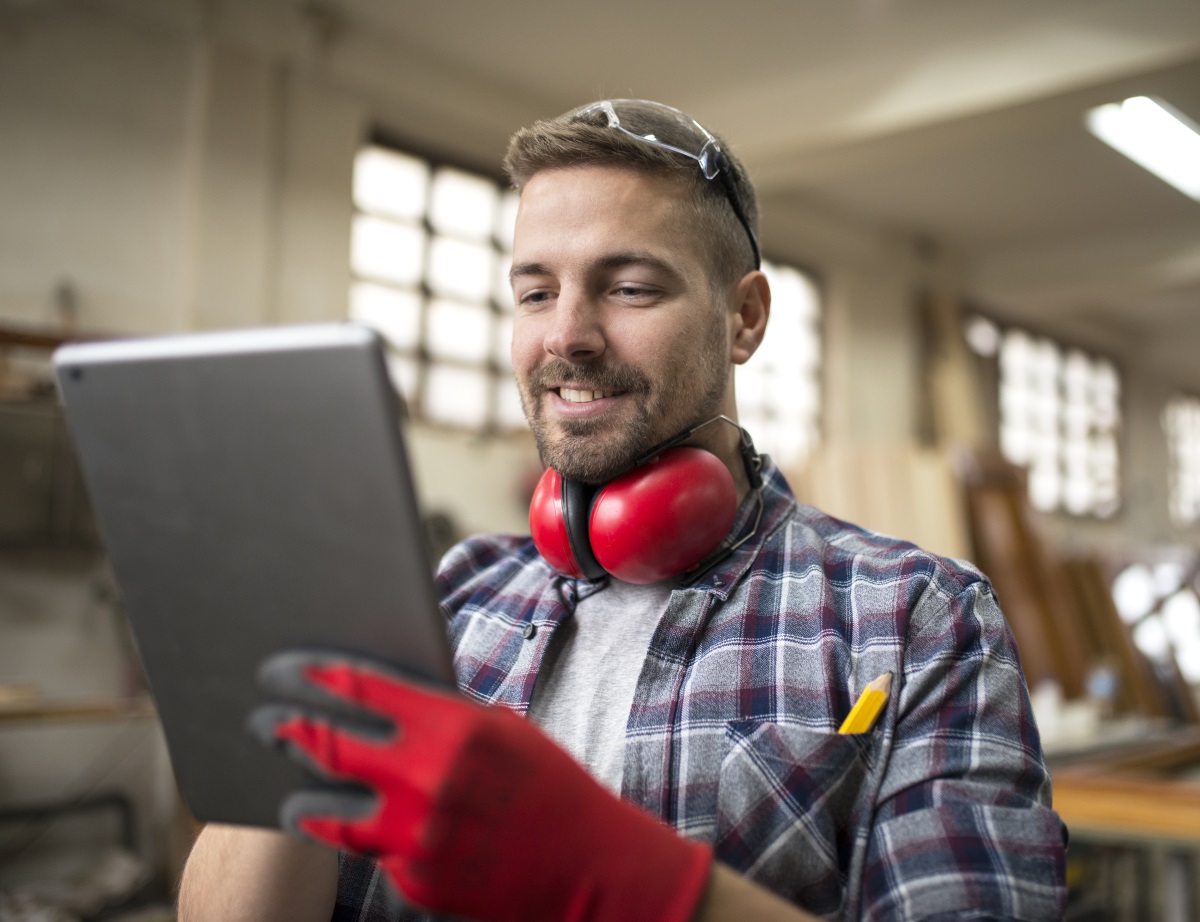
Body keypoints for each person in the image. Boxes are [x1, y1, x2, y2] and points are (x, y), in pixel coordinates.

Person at [179, 99, 1067, 922]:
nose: (565, 335)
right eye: (536, 292)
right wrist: (289, 685)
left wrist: (625, 877)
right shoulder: (446, 600)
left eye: (630, 286)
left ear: (744, 318)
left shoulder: (913, 623)